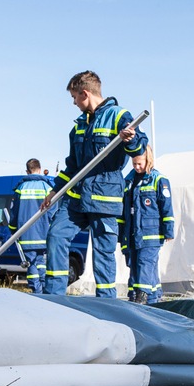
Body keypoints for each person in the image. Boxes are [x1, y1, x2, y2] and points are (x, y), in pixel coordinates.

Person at [42, 70, 148, 298]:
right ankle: (53, 297)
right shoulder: (78, 125)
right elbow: (71, 166)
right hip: (76, 197)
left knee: (103, 253)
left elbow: (139, 147)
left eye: (74, 97)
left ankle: (106, 306)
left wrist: (130, 140)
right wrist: (53, 191)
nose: (73, 103)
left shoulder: (119, 116)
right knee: (56, 236)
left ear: (85, 93)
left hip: (104, 198)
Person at [119, 145, 174, 304]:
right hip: (132, 233)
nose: (136, 167)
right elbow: (123, 211)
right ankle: (154, 297)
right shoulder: (128, 181)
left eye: (140, 164)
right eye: (134, 163)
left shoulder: (158, 180)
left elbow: (167, 207)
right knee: (138, 265)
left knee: (145, 263)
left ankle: (141, 296)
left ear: (148, 160)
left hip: (152, 234)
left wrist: (168, 231)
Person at [8, 158, 55, 293]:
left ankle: (36, 291)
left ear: (27, 171)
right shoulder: (48, 188)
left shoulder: (21, 188)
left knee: (31, 264)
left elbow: (14, 213)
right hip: (44, 233)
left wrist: (13, 231)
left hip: (26, 234)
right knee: (41, 262)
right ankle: (45, 291)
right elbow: (54, 210)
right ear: (40, 169)